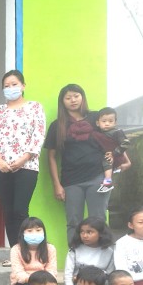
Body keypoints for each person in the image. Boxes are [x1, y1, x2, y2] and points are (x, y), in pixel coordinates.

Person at [0, 70, 46, 255]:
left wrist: (23, 159)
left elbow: (38, 136)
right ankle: (14, 253)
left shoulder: (35, 107)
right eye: (6, 86)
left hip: (26, 166)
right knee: (8, 212)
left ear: (23, 86)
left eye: (14, 84)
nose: (10, 88)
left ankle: (28, 252)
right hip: (1, 167)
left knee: (20, 210)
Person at [43, 84, 108, 244]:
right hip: (71, 181)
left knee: (98, 220)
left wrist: (121, 160)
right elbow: (51, 157)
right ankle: (76, 259)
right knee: (73, 221)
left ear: (82, 97)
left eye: (76, 95)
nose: (73, 100)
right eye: (68, 97)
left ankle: (102, 258)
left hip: (97, 177)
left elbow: (113, 140)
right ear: (62, 101)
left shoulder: (96, 118)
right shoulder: (57, 125)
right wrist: (57, 185)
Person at [9, 217, 58, 285]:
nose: (34, 233)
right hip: (24, 283)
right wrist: (35, 280)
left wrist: (43, 281)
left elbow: (52, 270)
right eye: (29, 231)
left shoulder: (50, 248)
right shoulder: (16, 249)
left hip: (45, 282)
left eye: (38, 230)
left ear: (44, 232)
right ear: (23, 233)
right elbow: (18, 273)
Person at [64, 217, 115, 285]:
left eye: (89, 232)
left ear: (101, 233)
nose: (84, 236)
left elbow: (110, 274)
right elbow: (68, 274)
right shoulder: (75, 250)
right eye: (82, 232)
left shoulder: (109, 252)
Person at [94, 107, 131, 194]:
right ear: (97, 123)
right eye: (104, 121)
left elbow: (125, 143)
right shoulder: (99, 134)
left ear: (115, 123)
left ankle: (108, 182)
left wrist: (114, 153)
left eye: (110, 121)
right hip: (108, 156)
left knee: (106, 160)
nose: (107, 124)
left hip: (116, 156)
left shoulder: (117, 132)